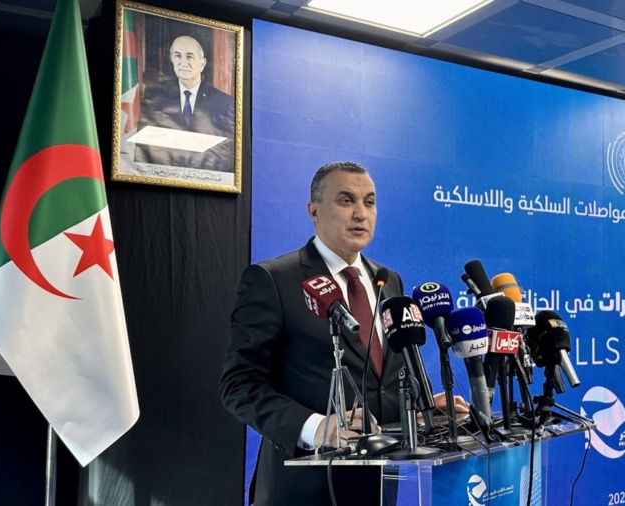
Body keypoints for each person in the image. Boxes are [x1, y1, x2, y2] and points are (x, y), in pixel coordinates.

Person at [221, 162, 467, 505]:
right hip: (304, 488)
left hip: (379, 484)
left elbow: (384, 380)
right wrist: (316, 427)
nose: (361, 214)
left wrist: (423, 412)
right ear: (314, 211)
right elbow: (239, 385)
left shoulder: (388, 280)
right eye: (346, 200)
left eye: (370, 202)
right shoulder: (274, 279)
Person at [134, 35, 234, 172]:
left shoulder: (224, 102)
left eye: (189, 56)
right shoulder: (153, 96)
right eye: (178, 56)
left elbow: (227, 155)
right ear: (172, 60)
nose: (183, 62)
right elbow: (143, 147)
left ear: (202, 64)